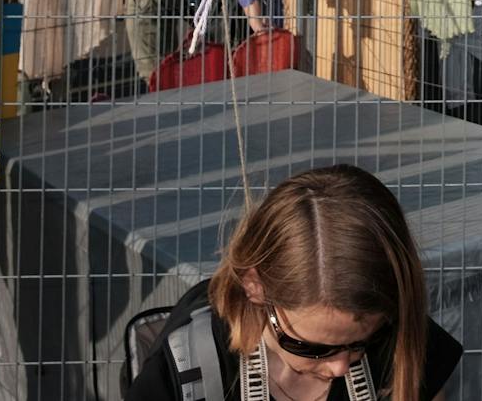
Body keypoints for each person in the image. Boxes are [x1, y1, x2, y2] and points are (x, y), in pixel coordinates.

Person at [126, 164, 460, 401]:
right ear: (255, 285)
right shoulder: (189, 369)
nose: (340, 367)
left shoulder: (400, 339)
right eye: (311, 347)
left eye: (362, 342)